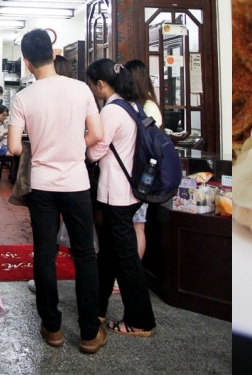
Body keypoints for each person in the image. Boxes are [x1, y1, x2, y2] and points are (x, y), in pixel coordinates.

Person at [7, 29, 107, 354]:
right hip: (77, 184)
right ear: (53, 52)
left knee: (45, 254)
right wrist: (74, 145)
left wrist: (39, 145)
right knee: (85, 255)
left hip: (43, 187)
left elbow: (12, 147)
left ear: (26, 62)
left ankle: (52, 328)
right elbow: (98, 133)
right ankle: (90, 333)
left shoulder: (23, 97)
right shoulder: (80, 90)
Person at [86, 59, 157, 337]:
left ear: (101, 84)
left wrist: (84, 146)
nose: (94, 89)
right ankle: (98, 309)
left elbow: (96, 151)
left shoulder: (112, 111)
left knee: (125, 259)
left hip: (116, 194)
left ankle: (141, 321)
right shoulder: (133, 106)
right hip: (128, 193)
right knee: (109, 256)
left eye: (94, 84)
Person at [125, 59, 162, 260]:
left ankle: (132, 276)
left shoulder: (149, 108)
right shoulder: (138, 105)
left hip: (142, 176)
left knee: (137, 225)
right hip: (132, 174)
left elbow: (147, 143)